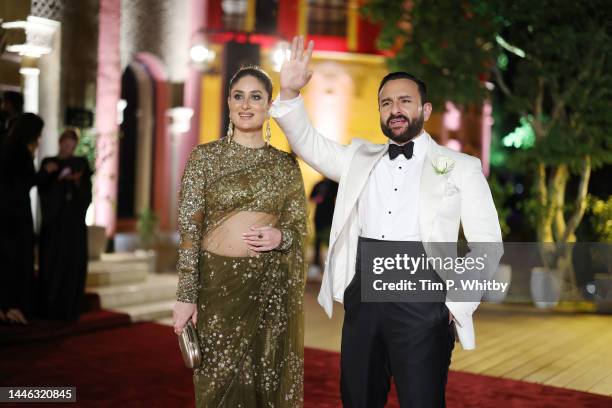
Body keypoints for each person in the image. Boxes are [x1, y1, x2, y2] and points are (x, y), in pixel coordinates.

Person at [271, 37, 503, 407]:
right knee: (358, 397)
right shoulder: (358, 157)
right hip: (364, 293)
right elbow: (308, 143)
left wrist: (456, 303)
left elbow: (487, 242)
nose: (395, 109)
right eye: (386, 102)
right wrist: (289, 92)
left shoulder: (461, 166)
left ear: (425, 109)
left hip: (424, 297)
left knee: (421, 400)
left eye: (404, 101)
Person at [172, 65, 308, 407]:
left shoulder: (284, 165)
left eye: (256, 96)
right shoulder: (204, 158)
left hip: (269, 290)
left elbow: (298, 227)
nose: (246, 104)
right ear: (229, 103)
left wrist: (281, 237)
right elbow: (189, 231)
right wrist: (186, 295)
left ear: (269, 105)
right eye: (238, 96)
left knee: (265, 381)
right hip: (216, 290)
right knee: (217, 384)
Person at [37, 128, 92, 321]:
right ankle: (50, 307)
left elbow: (86, 195)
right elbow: (41, 188)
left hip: (74, 226)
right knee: (53, 263)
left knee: (72, 264)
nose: (68, 148)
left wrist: (75, 183)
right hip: (55, 224)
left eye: (72, 145)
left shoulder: (80, 164)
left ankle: (70, 309)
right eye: (65, 144)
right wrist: (54, 178)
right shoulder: (49, 163)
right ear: (60, 143)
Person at [0, 113, 44, 325]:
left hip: (4, 214)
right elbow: (25, 182)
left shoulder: (5, 147)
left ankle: (5, 306)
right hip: (16, 216)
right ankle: (14, 307)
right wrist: (44, 173)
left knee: (6, 260)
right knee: (19, 261)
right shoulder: (21, 153)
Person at [309, 177, 338, 274]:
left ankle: (332, 265)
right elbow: (311, 197)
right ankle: (316, 264)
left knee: (332, 241)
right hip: (319, 216)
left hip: (331, 216)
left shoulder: (335, 183)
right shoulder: (319, 184)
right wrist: (317, 198)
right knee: (318, 241)